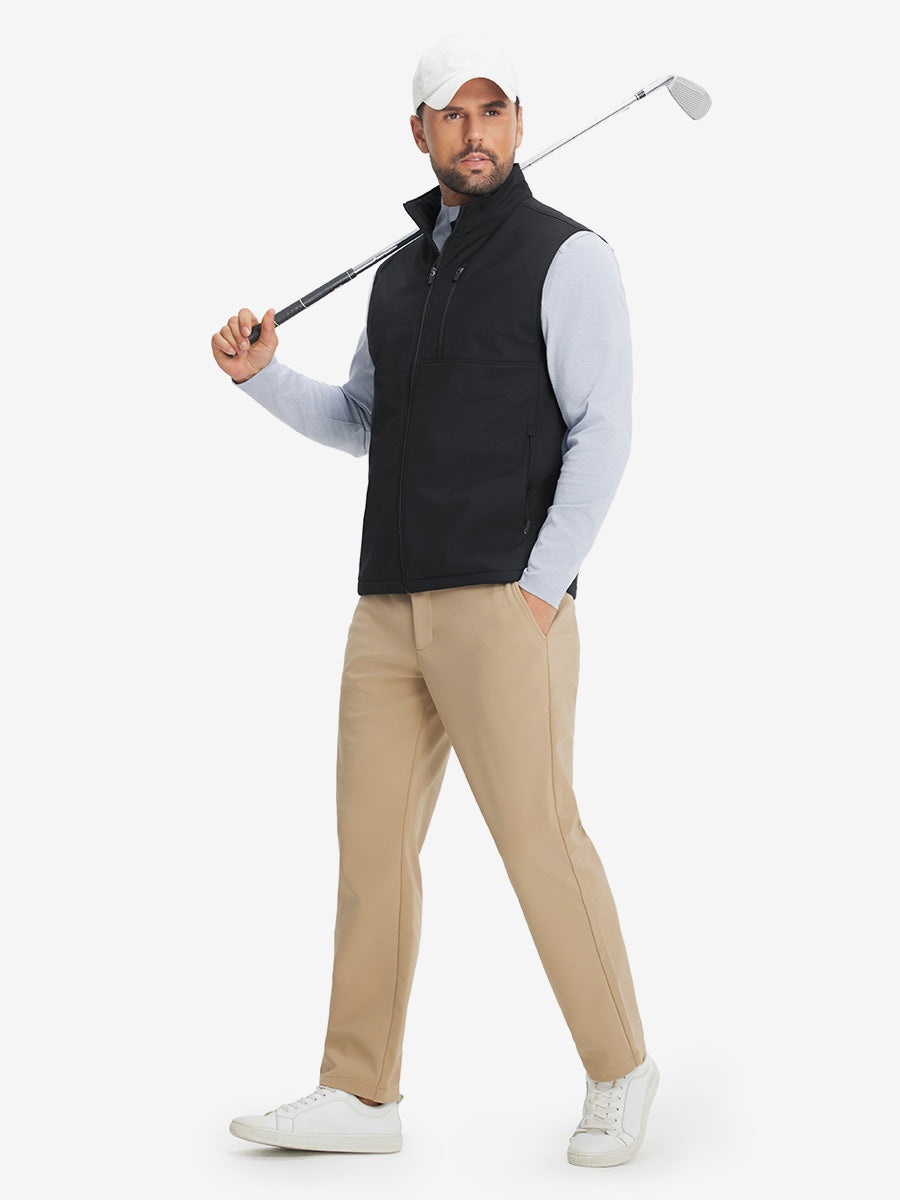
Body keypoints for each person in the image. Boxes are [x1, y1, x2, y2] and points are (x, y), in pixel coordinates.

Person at [212, 33, 659, 1168]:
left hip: (504, 602)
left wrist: (539, 592)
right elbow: (362, 421)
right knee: (370, 853)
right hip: (387, 606)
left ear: (518, 121)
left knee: (539, 842)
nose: (474, 132)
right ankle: (360, 1093)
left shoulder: (570, 257)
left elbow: (604, 430)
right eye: (451, 114)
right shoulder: (400, 277)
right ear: (418, 131)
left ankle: (620, 1069)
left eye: (491, 110)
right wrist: (262, 380)